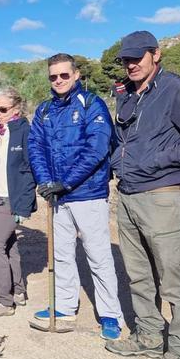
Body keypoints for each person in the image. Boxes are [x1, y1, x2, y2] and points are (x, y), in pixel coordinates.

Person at [104, 31, 180, 359]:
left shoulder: (175, 89)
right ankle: (149, 336)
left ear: (156, 54)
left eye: (137, 57)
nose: (131, 64)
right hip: (127, 194)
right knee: (139, 275)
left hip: (162, 195)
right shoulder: (126, 94)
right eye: (126, 59)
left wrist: (160, 161)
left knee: (172, 277)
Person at [27, 53, 123, 340]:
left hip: (87, 193)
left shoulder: (92, 104)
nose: (58, 80)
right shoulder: (44, 110)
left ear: (76, 74)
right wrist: (45, 181)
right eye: (53, 76)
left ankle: (110, 314)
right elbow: (36, 146)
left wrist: (66, 183)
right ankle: (65, 307)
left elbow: (96, 149)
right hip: (58, 197)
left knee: (98, 255)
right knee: (62, 254)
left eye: (63, 75)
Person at [0, 87, 36, 318]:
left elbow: (29, 170)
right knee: (9, 244)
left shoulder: (25, 131)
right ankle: (18, 290)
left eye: (3, 109)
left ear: (16, 108)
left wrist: (24, 205)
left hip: (11, 199)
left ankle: (4, 299)